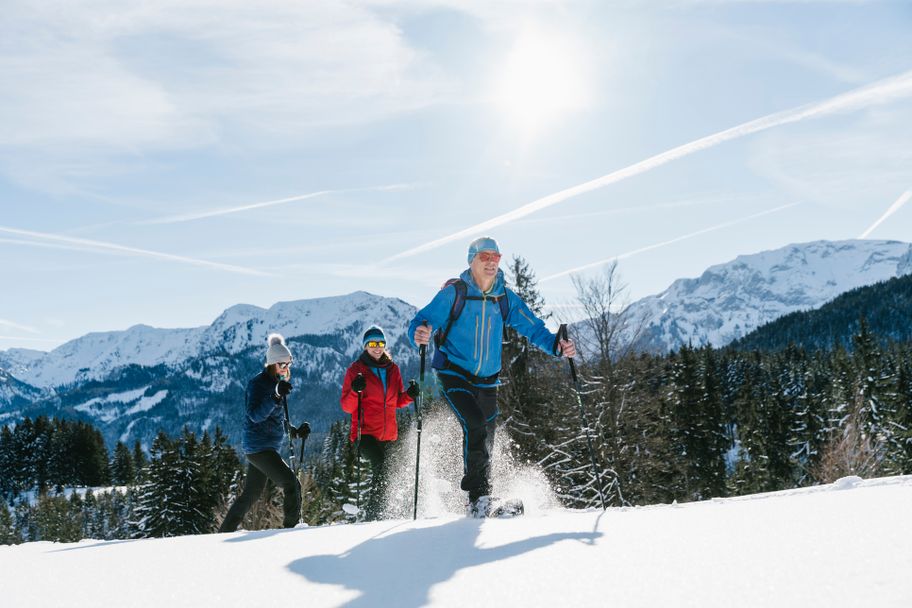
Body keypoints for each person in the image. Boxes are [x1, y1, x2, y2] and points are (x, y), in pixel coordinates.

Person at [407, 236, 576, 517]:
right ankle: (478, 500)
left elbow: (534, 328)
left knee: (486, 438)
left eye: (496, 257)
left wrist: (557, 346)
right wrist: (418, 333)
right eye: (484, 257)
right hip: (453, 374)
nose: (491, 262)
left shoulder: (504, 298)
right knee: (474, 424)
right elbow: (421, 321)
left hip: (488, 381)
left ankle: (482, 497)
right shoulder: (454, 293)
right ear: (471, 260)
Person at [219, 333, 310, 532]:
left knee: (251, 494)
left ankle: (224, 531)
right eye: (282, 365)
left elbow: (276, 419)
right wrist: (275, 395)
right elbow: (255, 415)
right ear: (271, 364)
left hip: (264, 447)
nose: (286, 369)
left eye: (288, 364)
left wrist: (295, 432)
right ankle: (291, 530)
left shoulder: (278, 383)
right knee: (292, 485)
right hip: (258, 447)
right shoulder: (258, 384)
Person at [340, 326, 418, 520]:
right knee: (382, 467)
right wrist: (355, 390)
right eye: (373, 344)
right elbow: (347, 407)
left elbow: (396, 401)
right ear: (365, 346)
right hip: (364, 434)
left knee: (388, 474)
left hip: (388, 434)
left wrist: (410, 395)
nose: (377, 347)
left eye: (381, 343)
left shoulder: (393, 369)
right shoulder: (356, 370)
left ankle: (383, 513)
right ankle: (374, 516)